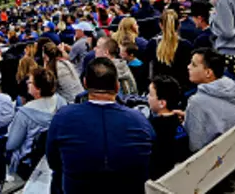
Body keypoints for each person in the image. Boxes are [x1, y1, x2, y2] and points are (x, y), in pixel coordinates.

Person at [46, 58, 154, 194]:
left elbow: (53, 161)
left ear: (85, 83)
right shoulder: (139, 120)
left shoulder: (62, 117)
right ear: (117, 86)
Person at [184, 48, 235, 152]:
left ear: (208, 73)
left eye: (193, 64)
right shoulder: (233, 89)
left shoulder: (196, 102)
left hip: (222, 161)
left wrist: (186, 122)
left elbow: (195, 146)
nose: (188, 67)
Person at [6, 67, 66, 178]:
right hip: (56, 155)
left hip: (30, 163)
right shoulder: (61, 102)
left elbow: (11, 144)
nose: (28, 83)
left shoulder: (24, 114)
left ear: (38, 89)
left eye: (30, 82)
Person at [146, 76, 189, 180]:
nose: (147, 97)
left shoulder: (153, 126)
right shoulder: (177, 122)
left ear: (162, 103)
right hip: (178, 173)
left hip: (159, 177)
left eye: (151, 94)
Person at [148, 9, 193, 91]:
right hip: (181, 90)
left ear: (160, 25)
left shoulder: (152, 44)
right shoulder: (186, 45)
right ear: (179, 25)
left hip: (159, 90)